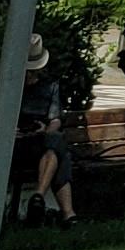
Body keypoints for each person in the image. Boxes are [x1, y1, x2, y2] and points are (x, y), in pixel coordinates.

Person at [13, 37, 75, 225]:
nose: (29, 75)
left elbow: (55, 118)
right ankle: (67, 214)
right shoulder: (8, 87)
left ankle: (39, 198)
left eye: (33, 71)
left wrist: (44, 129)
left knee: (54, 142)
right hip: (16, 145)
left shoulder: (50, 86)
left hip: (41, 143)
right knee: (60, 151)